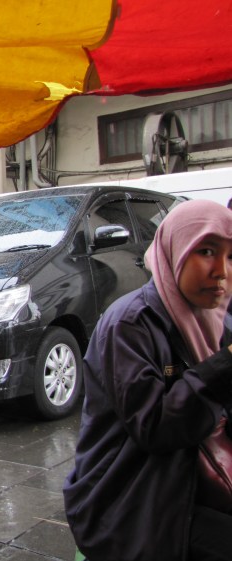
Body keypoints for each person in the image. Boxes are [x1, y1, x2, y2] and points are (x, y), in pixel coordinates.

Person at [63, 199, 232, 561]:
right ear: (176, 250)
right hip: (127, 499)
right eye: (206, 251)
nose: (221, 271)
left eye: (231, 257)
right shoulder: (130, 324)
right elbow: (155, 428)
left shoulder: (216, 320)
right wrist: (224, 367)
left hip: (195, 478)